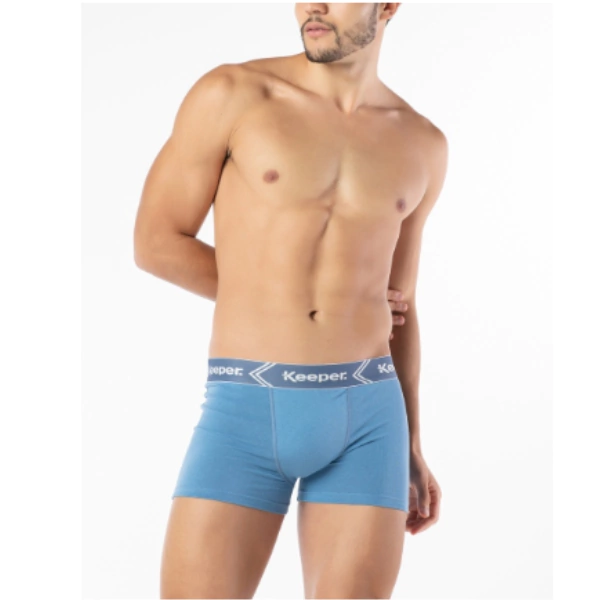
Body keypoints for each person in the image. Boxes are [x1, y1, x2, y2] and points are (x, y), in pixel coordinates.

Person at [133, 3, 447, 598]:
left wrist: (410, 442)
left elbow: (401, 305)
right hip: (246, 408)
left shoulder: (422, 142)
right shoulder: (234, 95)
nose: (313, 5)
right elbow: (156, 242)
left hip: (369, 417)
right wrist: (282, 296)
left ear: (387, 5)